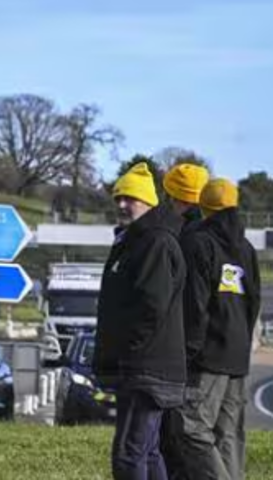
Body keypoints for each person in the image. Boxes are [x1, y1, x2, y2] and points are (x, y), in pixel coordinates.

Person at [94, 162, 187, 480]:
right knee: (147, 451)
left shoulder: (155, 243)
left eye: (129, 198)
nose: (121, 204)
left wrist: (129, 351)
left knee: (129, 453)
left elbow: (152, 306)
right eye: (117, 198)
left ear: (148, 201)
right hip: (143, 365)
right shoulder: (134, 241)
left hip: (147, 366)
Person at [175, 178, 261, 480]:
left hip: (207, 354)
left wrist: (188, 351)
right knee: (228, 434)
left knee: (191, 425)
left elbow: (195, 305)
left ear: (204, 206)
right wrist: (243, 340)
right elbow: (254, 301)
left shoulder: (199, 242)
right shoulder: (247, 248)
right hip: (237, 353)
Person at [158, 162, 209, 477]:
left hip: (182, 349)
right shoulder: (220, 238)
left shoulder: (178, 238)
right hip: (218, 351)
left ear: (171, 195)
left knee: (175, 434)